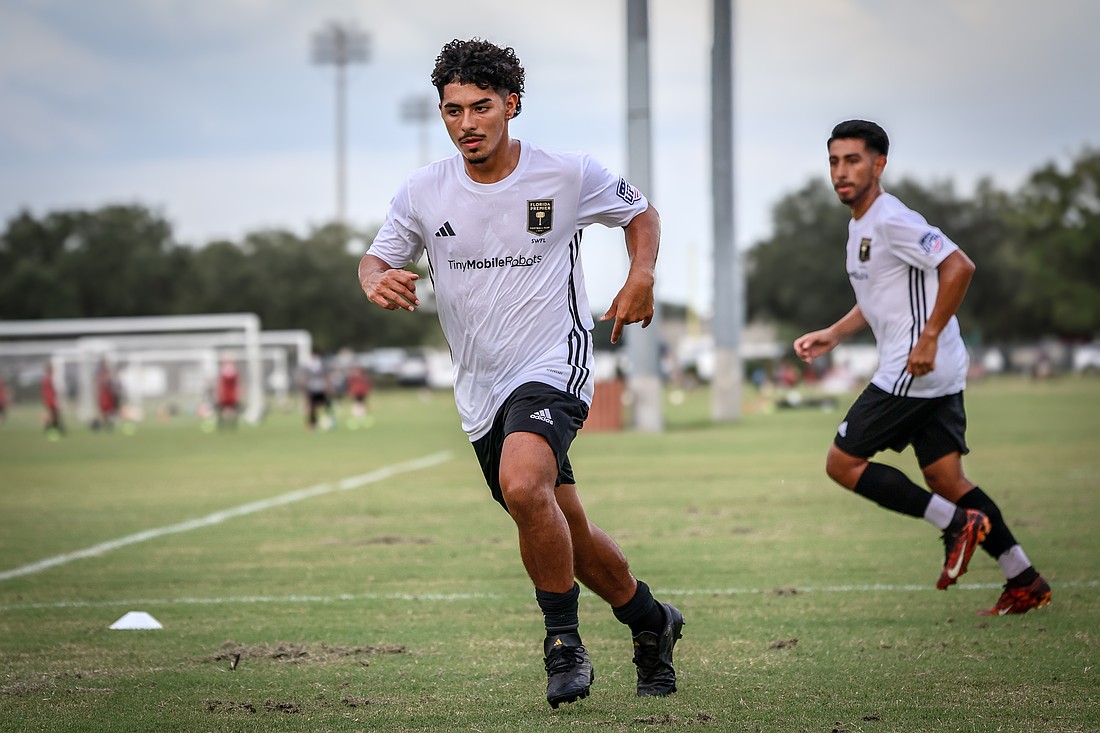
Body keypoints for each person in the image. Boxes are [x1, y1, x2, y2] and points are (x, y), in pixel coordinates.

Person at [358, 38, 683, 708]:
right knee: (566, 526)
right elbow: (375, 256)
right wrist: (375, 278)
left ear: (512, 105)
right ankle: (651, 621)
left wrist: (642, 273)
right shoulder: (423, 190)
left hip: (552, 365)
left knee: (523, 481)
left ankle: (562, 644)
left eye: (481, 107)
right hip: (480, 389)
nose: (467, 123)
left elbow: (640, 212)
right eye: (453, 110)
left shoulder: (565, 173)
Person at [793, 119, 1051, 616]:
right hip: (934, 367)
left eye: (853, 160)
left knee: (841, 463)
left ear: (879, 163)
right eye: (834, 161)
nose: (841, 172)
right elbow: (877, 301)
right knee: (948, 479)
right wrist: (835, 332)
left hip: (916, 367)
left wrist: (929, 335)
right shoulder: (859, 228)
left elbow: (959, 266)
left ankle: (956, 525)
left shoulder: (892, 218)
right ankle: (1024, 578)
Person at [215, 355, 241, 430]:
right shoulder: (230, 369)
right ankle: (230, 425)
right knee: (228, 409)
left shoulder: (228, 369)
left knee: (228, 409)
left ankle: (226, 425)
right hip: (228, 393)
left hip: (228, 393)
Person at [41, 362, 64, 438]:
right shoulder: (50, 378)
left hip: (48, 399)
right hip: (51, 399)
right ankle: (54, 428)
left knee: (52, 414)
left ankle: (53, 428)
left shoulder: (45, 378)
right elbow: (55, 389)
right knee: (53, 414)